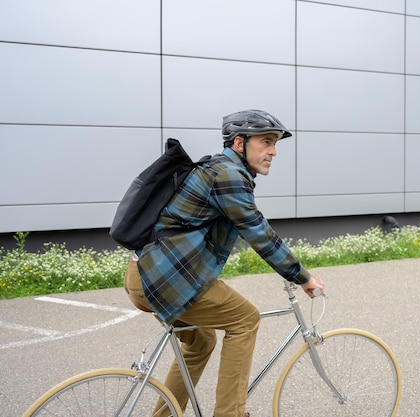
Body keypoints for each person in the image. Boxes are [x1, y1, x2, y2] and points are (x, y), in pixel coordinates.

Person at [123, 109, 324, 417]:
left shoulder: (217, 168)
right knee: (245, 319)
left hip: (146, 274)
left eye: (276, 144)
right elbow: (259, 233)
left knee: (200, 342)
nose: (273, 151)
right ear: (239, 143)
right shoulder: (228, 175)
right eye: (267, 142)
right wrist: (302, 277)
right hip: (165, 278)